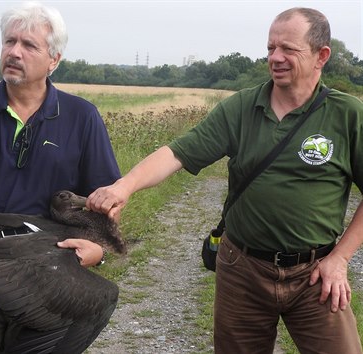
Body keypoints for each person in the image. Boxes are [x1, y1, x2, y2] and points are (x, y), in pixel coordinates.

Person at [87, 7, 363, 354]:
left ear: (321, 56)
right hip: (243, 270)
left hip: (316, 275)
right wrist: (123, 186)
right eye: (270, 49)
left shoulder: (347, 114)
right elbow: (177, 152)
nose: (275, 58)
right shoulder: (242, 108)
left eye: (288, 50)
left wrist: (340, 258)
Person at [0, 2, 121, 352]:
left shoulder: (82, 117)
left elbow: (105, 201)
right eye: (9, 41)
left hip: (54, 290)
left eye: (29, 45)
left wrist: (97, 250)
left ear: (54, 59)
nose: (14, 52)